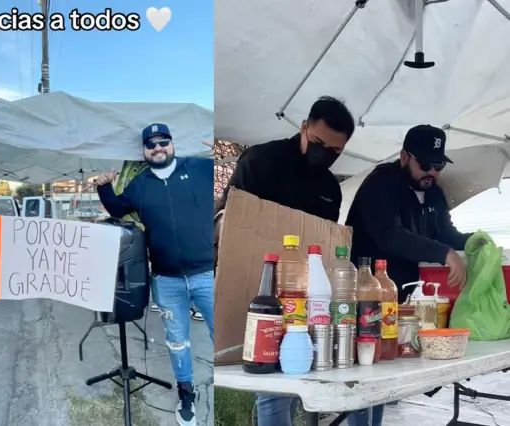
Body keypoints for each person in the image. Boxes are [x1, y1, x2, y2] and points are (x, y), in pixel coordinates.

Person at [216, 96, 355, 426]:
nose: (325, 154)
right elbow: (234, 221)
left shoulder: (329, 188)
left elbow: (324, 240)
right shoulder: (263, 160)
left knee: (310, 368)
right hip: (263, 286)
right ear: (304, 127)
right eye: (320, 143)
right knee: (272, 380)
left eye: (335, 151)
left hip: (308, 291)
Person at [344, 124, 472, 426]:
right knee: (367, 374)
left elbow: (447, 234)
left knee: (388, 374)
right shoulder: (381, 184)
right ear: (404, 156)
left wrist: (478, 242)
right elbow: (391, 235)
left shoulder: (435, 194)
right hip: (366, 294)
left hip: (404, 297)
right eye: (425, 164)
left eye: (438, 165)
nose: (432, 172)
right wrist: (444, 254)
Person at [96, 123, 214, 426]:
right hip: (167, 279)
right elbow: (118, 210)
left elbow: (237, 184)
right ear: (144, 151)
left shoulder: (201, 168)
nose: (158, 147)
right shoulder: (140, 184)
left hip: (206, 276)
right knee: (177, 341)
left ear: (172, 144)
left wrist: (216, 155)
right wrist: (104, 187)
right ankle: (186, 392)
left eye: (163, 141)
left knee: (223, 336)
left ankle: (233, 384)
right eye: (151, 144)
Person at [115, 160, 205, 322]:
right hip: (144, 223)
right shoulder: (137, 174)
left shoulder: (184, 168)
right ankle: (164, 298)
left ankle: (189, 301)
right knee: (155, 256)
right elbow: (118, 206)